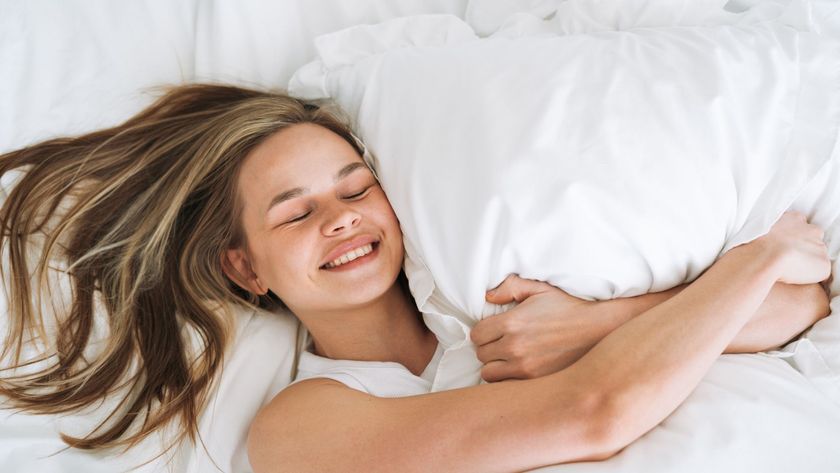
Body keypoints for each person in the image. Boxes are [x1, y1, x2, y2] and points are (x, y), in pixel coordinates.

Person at [0, 85, 830, 471]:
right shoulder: (300, 426)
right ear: (244, 266)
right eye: (296, 212)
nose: (340, 218)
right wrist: (756, 256)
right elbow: (594, 412)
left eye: (355, 188)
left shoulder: (497, 302)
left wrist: (596, 323)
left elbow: (801, 304)